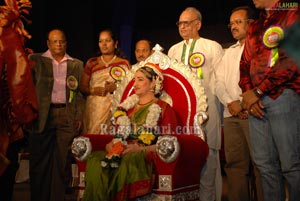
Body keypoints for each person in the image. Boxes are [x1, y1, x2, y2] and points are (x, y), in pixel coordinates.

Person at [82, 63, 178, 201]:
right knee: (95, 160)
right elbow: (117, 136)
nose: (135, 84)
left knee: (127, 162)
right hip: (122, 150)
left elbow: (169, 145)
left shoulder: (163, 108)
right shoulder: (127, 108)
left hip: (143, 153)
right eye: (134, 80)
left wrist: (140, 149)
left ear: (153, 83)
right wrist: (111, 145)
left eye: (140, 79)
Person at [239, 0, 300, 200]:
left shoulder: (291, 12)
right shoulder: (255, 25)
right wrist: (250, 95)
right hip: (256, 104)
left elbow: (291, 60)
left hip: (284, 95)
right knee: (265, 166)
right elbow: (244, 63)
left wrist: (257, 93)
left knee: (291, 164)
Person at [168, 7, 224, 201]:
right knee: (184, 157)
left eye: (186, 23)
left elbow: (220, 81)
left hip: (208, 113)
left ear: (198, 24)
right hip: (182, 115)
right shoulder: (173, 50)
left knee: (209, 158)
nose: (182, 27)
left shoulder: (212, 47)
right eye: (180, 23)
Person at [28, 29, 85, 201]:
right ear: (48, 43)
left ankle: (58, 197)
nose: (58, 44)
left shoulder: (76, 64)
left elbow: (80, 93)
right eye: (54, 41)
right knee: (40, 161)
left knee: (63, 161)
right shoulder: (36, 61)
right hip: (43, 116)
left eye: (61, 41)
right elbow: (28, 88)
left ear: (66, 43)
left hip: (66, 115)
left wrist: (79, 116)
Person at [215, 6, 263, 201]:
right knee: (234, 166)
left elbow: (259, 79)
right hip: (231, 115)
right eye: (231, 23)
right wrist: (231, 103)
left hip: (254, 112)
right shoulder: (228, 52)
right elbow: (217, 82)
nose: (233, 26)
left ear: (250, 23)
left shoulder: (259, 46)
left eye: (238, 22)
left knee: (261, 164)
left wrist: (244, 104)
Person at [80, 29, 131, 134]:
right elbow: (82, 86)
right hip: (95, 111)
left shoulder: (124, 63)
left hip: (116, 108)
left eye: (107, 40)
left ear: (115, 43)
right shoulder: (92, 63)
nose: (104, 44)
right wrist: (94, 90)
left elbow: (130, 87)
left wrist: (116, 87)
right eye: (101, 41)